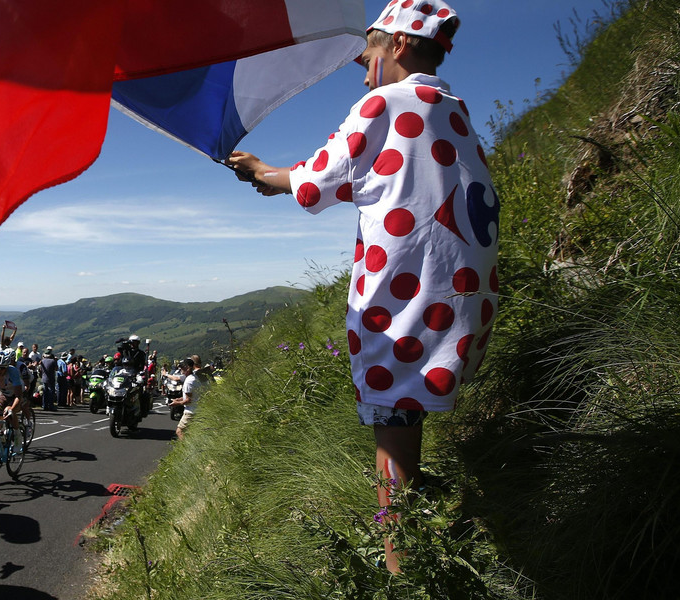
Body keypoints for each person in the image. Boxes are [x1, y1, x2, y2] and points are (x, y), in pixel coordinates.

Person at [227, 0, 497, 573]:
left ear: (398, 46)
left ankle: (401, 568)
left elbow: (314, 181)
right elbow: (389, 180)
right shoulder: (453, 107)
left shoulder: (385, 101)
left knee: (391, 422)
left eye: (366, 53)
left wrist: (259, 172)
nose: (361, 67)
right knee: (409, 406)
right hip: (467, 287)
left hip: (404, 287)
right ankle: (418, 517)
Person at [166, 358, 202, 441]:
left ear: (188, 368)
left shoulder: (189, 381)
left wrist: (176, 404)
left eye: (182, 367)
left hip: (190, 411)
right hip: (197, 409)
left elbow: (188, 400)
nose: (180, 369)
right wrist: (179, 399)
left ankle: (186, 448)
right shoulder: (195, 378)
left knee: (179, 431)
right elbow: (192, 395)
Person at [38, 347, 59, 411]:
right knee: (51, 392)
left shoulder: (42, 361)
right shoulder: (52, 361)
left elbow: (40, 370)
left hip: (44, 378)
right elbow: (56, 369)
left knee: (45, 392)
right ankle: (51, 405)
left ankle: (44, 405)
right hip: (51, 378)